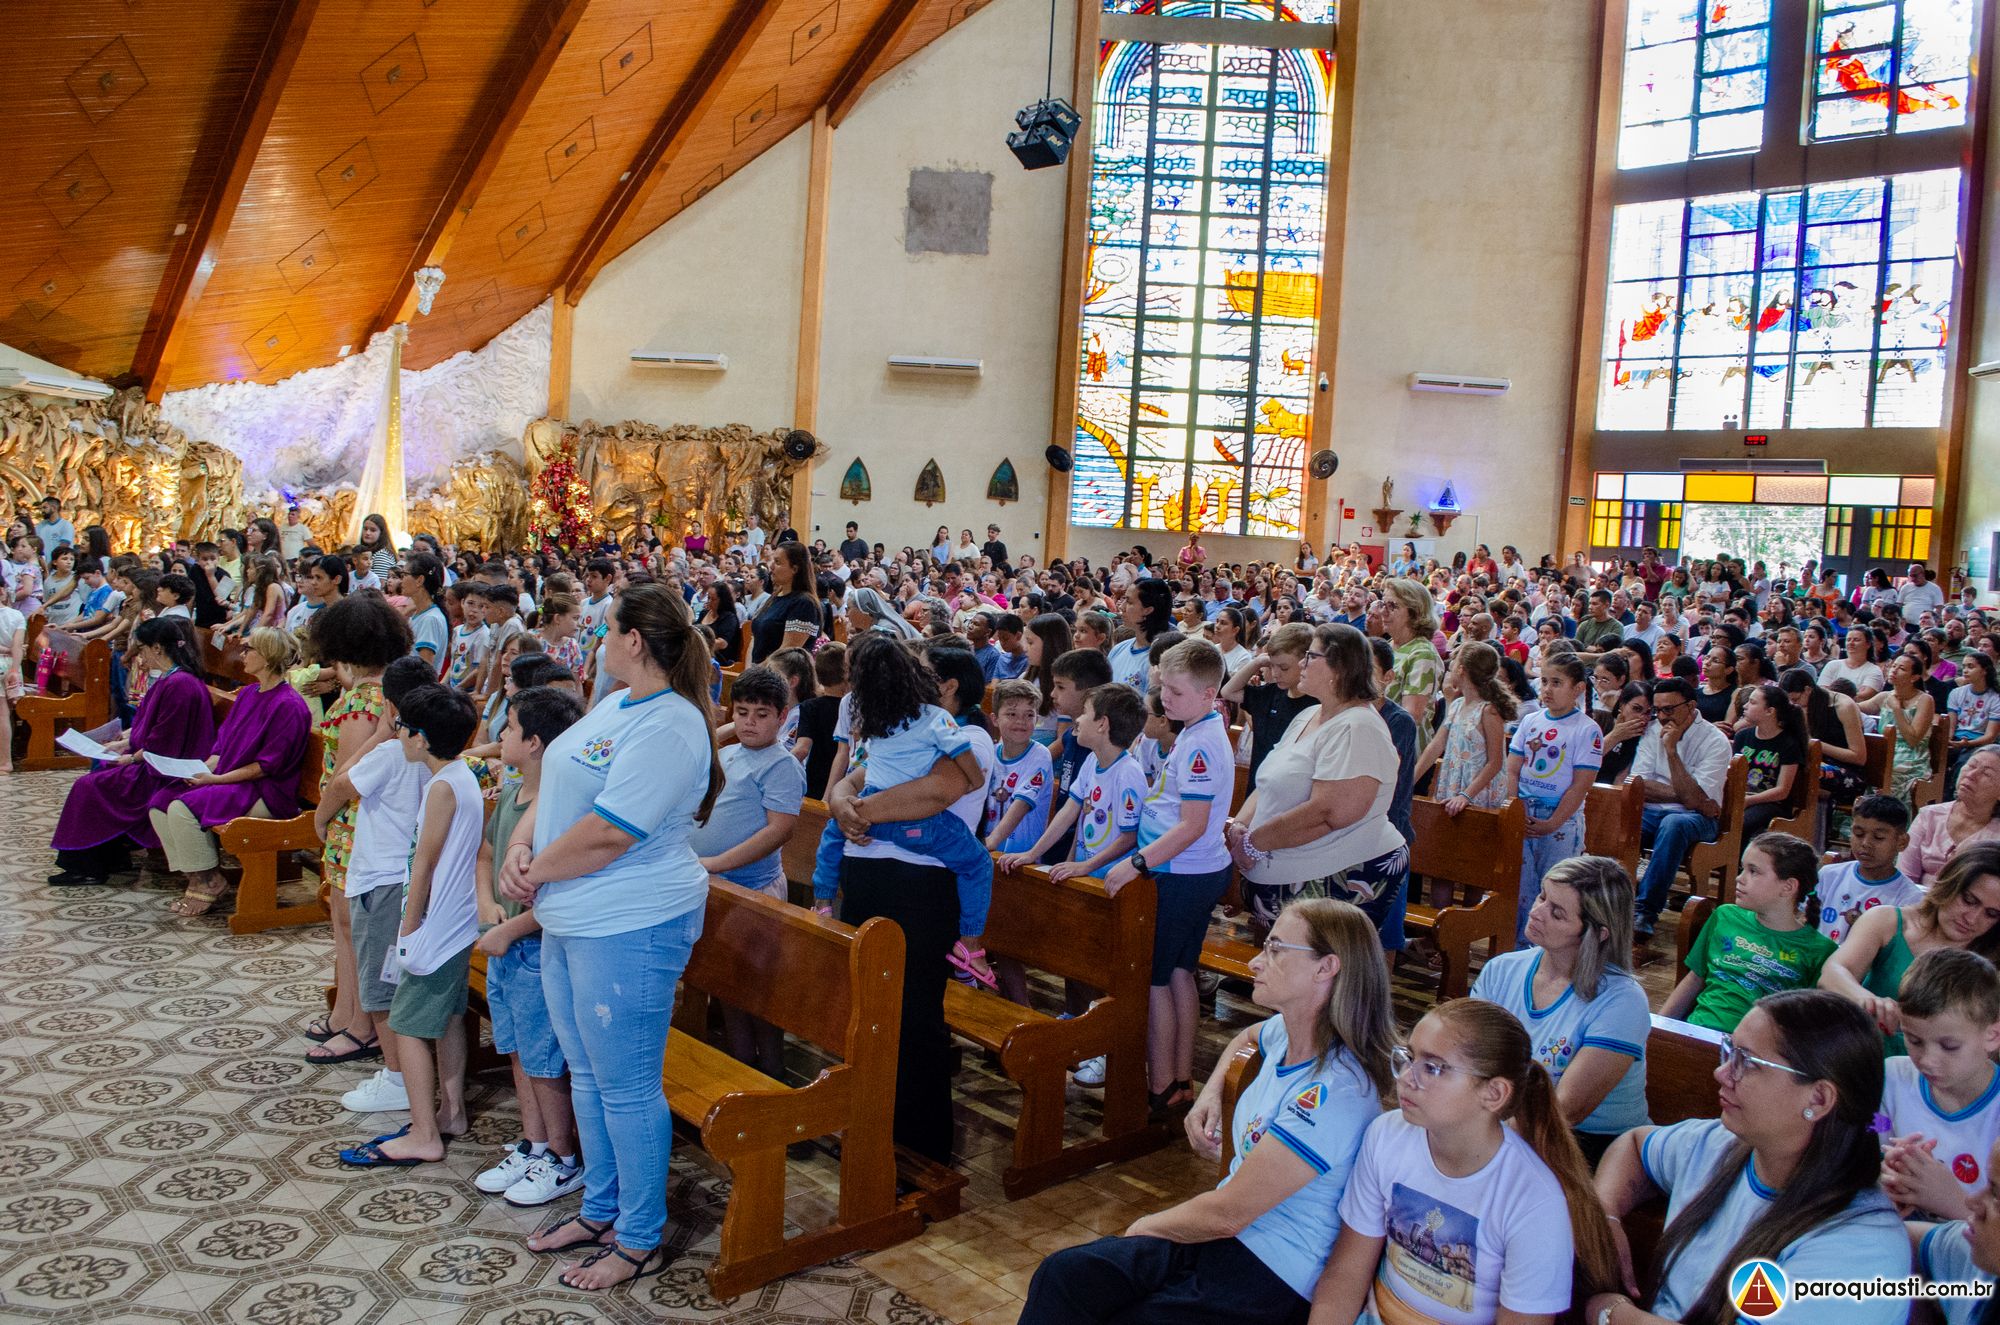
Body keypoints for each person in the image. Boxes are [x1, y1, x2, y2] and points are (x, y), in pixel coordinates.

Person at [1019, 900, 1395, 1325]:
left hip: (1272, 1272)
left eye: (1275, 949)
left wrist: (1144, 1226)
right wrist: (1210, 1093)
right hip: (1226, 1240)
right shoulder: (1287, 1032)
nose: (1255, 961)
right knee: (1066, 1275)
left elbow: (1228, 1214)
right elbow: (1246, 1038)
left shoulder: (1335, 1092)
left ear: (1326, 968)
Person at [499, 583, 720, 1290]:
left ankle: (639, 1237)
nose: (598, 639)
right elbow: (558, 786)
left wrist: (533, 873)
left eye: (607, 628)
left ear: (634, 640)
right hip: (574, 914)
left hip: (631, 921)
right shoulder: (616, 704)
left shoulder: (672, 724)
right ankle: (601, 1209)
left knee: (627, 1087)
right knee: (589, 1075)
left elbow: (611, 831)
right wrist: (522, 843)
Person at [1585, 990, 1907, 1325]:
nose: (1722, 1073)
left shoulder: (1860, 1248)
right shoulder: (1722, 1145)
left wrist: (1611, 1313)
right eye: (1730, 1051)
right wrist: (1605, 1214)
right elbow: (1635, 1146)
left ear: (1819, 1098)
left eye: (1748, 1062)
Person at [1312, 998, 1619, 1324]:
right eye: (1409, 1058)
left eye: (1433, 1068)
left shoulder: (1535, 1200)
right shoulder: (1386, 1135)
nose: (1406, 1078)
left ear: (1494, 1094)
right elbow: (1346, 1272)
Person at [822, 642, 995, 1161]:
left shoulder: (969, 736)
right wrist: (839, 801)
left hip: (920, 886)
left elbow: (936, 792)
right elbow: (858, 774)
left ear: (947, 686)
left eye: (921, 672)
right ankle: (873, 1131)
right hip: (869, 874)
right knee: (872, 1009)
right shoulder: (897, 724)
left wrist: (858, 812)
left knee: (915, 1017)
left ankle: (921, 1149)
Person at [337, 684, 483, 1170]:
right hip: (455, 922)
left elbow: (423, 864)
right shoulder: (460, 775)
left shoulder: (441, 787)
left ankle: (423, 1133)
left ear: (420, 738)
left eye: (401, 728)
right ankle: (451, 1112)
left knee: (407, 1025)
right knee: (447, 1018)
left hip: (434, 926)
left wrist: (408, 927)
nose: (397, 734)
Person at [1228, 624, 1408, 940]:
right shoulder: (1308, 714)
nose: (1302, 663)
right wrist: (1239, 829)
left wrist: (1255, 843)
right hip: (1281, 875)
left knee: (1322, 965)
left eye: (1311, 656)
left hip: (1338, 877)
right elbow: (1270, 781)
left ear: (1338, 668)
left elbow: (1330, 813)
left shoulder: (1358, 727)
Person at [1473, 856, 1648, 1165]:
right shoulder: (1502, 970)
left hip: (1589, 1145)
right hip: (1503, 1119)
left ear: (1598, 933)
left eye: (1557, 913)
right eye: (1542, 897)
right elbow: (1468, 1055)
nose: (1536, 912)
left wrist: (1479, 1148)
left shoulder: (1622, 1001)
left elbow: (1567, 1110)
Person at [305, 596, 413, 1066]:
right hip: (367, 822)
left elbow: (348, 775)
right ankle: (346, 1012)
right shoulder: (385, 691)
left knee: (353, 928)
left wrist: (321, 815)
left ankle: (361, 1025)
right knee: (346, 924)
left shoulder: (362, 701)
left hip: (355, 822)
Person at [146, 627, 312, 918]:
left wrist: (216, 779)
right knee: (160, 803)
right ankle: (197, 875)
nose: (243, 654)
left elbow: (266, 766)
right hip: (232, 779)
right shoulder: (248, 693)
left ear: (268, 657)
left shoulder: (288, 705)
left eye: (250, 649)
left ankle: (208, 881)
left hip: (266, 790)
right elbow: (222, 745)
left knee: (182, 809)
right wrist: (203, 769)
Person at [46, 618, 216, 883]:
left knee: (89, 787)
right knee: (100, 773)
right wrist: (122, 744)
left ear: (157, 648)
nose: (139, 656)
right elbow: (150, 727)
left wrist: (130, 758)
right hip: (154, 761)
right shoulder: (170, 680)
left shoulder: (180, 685)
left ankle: (88, 867)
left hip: (165, 771)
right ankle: (111, 856)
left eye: (142, 648)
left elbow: (165, 742)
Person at [1823, 842, 2000, 1056]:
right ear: (1949, 883)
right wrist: (1866, 999)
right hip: (1865, 1057)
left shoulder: (1993, 960)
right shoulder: (1887, 920)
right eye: (1969, 900)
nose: (1972, 918)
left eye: (1991, 914)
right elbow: (1832, 972)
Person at [1663, 833, 1835, 1033]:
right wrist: (1659, 1028)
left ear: (1788, 887)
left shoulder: (1820, 950)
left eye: (1753, 871)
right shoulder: (1725, 916)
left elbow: (1809, 1026)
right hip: (1700, 1033)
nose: (1739, 878)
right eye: (1742, 868)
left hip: (1759, 1048)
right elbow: (1695, 979)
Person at [1877, 948, 2000, 1222]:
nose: (1927, 1061)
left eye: (1949, 1046)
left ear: (1993, 1036)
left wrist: (1952, 1202)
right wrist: (1886, 1175)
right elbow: (1870, 1136)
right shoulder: (1892, 1078)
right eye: (1914, 1040)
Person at [1816, 793, 1919, 944]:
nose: (1865, 843)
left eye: (1878, 837)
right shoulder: (1829, 875)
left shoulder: (1910, 899)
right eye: (1858, 834)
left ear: (1902, 842)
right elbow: (1805, 920)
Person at [1222, 623, 1318, 782]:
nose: (1275, 673)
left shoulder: (1316, 704)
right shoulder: (1269, 693)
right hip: (1256, 784)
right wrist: (1257, 662)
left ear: (1305, 662)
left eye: (1284, 668)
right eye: (1272, 666)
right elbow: (1228, 692)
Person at [1901, 747, 2000, 891]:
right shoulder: (1929, 815)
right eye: (1971, 765)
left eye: (1986, 774)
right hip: (1914, 900)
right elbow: (1904, 879)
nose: (1971, 775)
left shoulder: (1996, 838)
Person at [1732, 682, 1806, 838]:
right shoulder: (1742, 736)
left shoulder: (1788, 744)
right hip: (1741, 798)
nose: (1745, 706)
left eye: (1752, 702)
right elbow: (1732, 775)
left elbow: (1782, 790)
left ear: (1770, 711)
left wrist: (1749, 800)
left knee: (1741, 823)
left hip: (1772, 804)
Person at [1380, 578, 1442, 746]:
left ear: (1414, 612)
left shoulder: (1422, 654)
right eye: (1383, 604)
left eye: (1392, 606)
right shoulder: (1389, 645)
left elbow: (1410, 716)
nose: (1383, 612)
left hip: (1400, 745)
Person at [748, 541, 821, 663]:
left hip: (783, 672)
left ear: (795, 569)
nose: (771, 567)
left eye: (777, 562)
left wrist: (757, 671)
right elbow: (755, 640)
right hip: (759, 670)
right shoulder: (774, 597)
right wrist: (749, 670)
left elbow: (786, 652)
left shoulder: (804, 603)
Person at [1111, 578, 1174, 692]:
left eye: (1129, 602)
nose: (1121, 607)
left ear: (1148, 610)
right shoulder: (1118, 649)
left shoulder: (1162, 661)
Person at [32, 496, 74, 567]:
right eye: (41, 508)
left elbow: (62, 548)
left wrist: (50, 566)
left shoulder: (66, 525)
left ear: (54, 508)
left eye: (45, 508)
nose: (42, 511)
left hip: (58, 566)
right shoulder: (40, 525)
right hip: (41, 565)